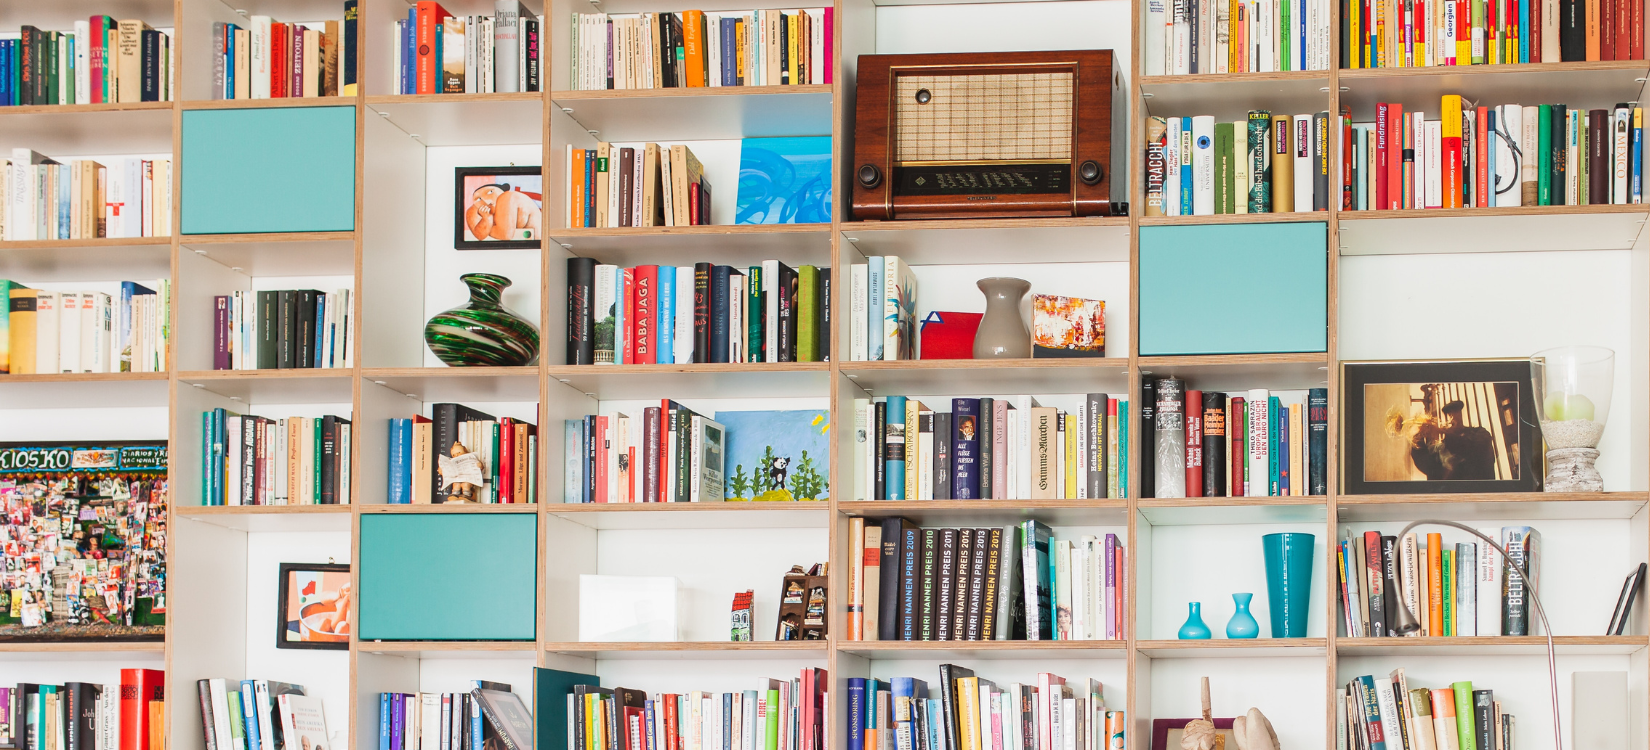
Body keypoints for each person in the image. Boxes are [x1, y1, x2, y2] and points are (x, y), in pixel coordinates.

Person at [1404, 400, 1498, 480]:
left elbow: (1471, 448)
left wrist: (1443, 433)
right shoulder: (1442, 448)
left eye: (1453, 413)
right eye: (1449, 415)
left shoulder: (1480, 433)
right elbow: (1427, 464)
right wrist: (1418, 436)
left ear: (1460, 414)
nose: (1450, 419)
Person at [464, 183, 542, 242]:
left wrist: (486, 225)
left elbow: (505, 235)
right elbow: (479, 236)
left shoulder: (507, 196)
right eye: (478, 199)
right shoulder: (475, 209)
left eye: (490, 192)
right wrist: (486, 218)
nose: (485, 200)